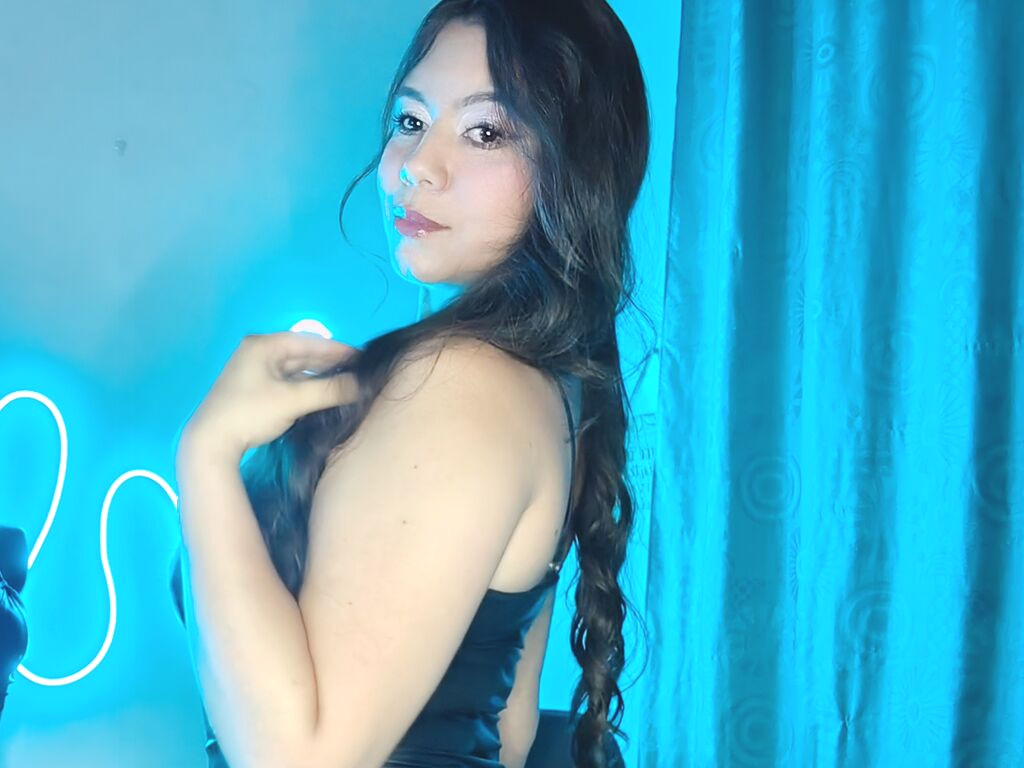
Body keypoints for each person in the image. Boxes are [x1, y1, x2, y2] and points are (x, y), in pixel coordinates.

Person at [171, 0, 651, 766]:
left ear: (576, 167)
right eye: (411, 120)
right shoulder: (548, 386)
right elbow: (509, 730)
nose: (416, 166)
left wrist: (206, 456)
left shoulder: (462, 384)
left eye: (485, 131)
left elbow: (300, 761)